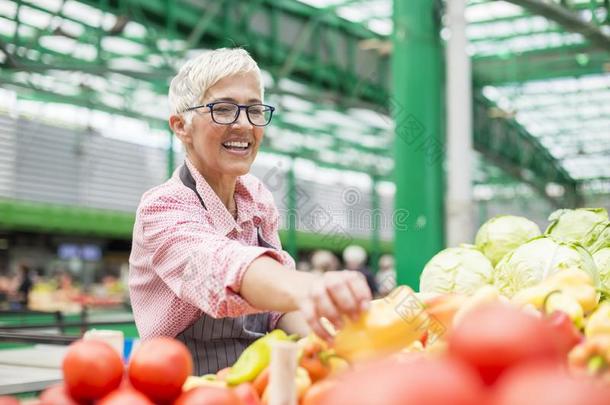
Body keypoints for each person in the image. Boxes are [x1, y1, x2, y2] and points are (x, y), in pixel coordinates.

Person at [129, 48, 372, 375]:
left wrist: (337, 341)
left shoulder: (257, 199)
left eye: (254, 110)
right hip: (185, 388)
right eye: (224, 109)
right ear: (181, 127)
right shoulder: (162, 208)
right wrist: (310, 287)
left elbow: (275, 309)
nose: (244, 124)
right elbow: (216, 265)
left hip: (258, 383)